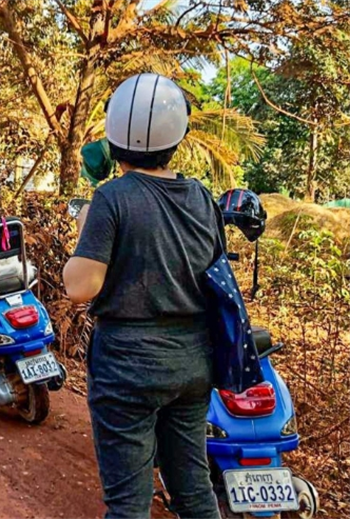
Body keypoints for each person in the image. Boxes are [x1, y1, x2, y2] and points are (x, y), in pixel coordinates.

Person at [63, 73, 221, 519]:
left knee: (129, 504)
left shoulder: (111, 197)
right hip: (191, 364)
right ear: (179, 137)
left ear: (113, 137)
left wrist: (83, 230)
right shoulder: (202, 198)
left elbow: (81, 286)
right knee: (193, 492)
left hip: (128, 368)